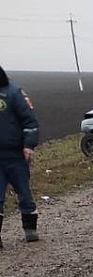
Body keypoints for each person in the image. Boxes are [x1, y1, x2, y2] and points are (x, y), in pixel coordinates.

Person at [0, 66, 39, 247]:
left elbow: (29, 121)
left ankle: (30, 230)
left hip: (16, 155)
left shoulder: (14, 93)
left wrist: (28, 145)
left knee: (24, 193)